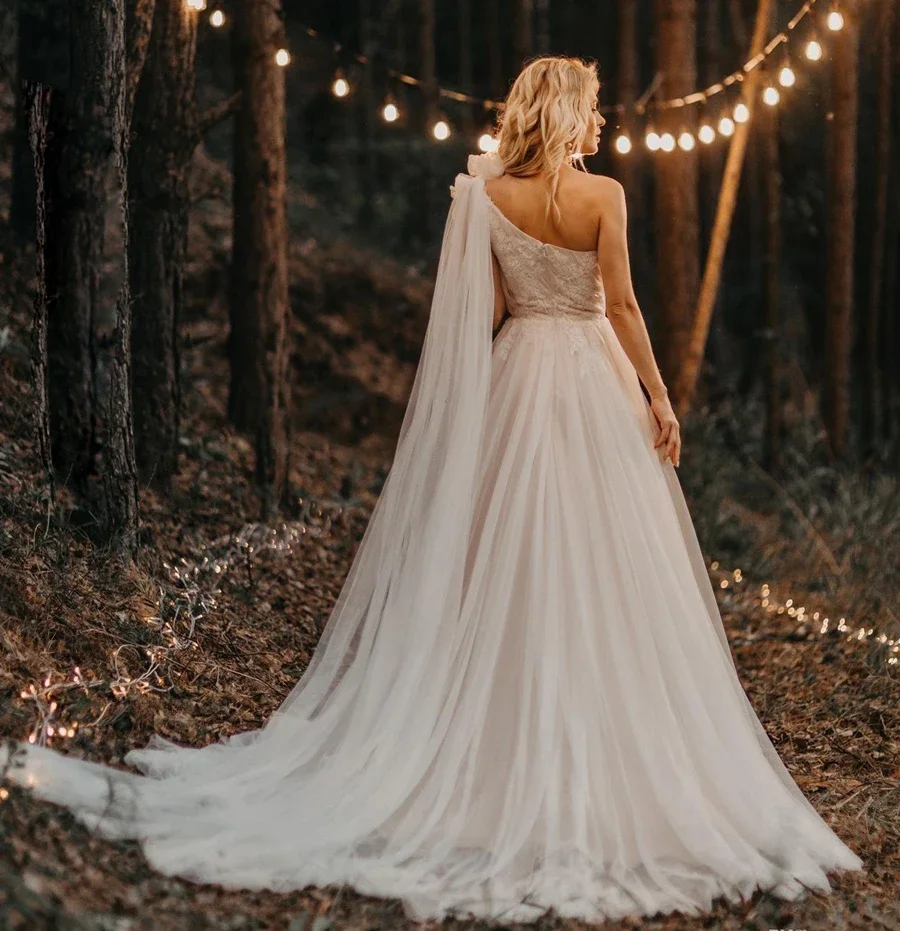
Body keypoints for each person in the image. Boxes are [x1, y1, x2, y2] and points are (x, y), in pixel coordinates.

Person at [1, 56, 863, 924]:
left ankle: (500, 725)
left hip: (521, 376)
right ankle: (600, 740)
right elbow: (626, 307)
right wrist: (660, 395)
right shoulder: (604, 198)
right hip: (594, 381)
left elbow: (483, 314)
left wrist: (470, 415)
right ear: (570, 112)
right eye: (593, 105)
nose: (600, 117)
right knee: (610, 561)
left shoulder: (487, 198)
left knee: (512, 554)